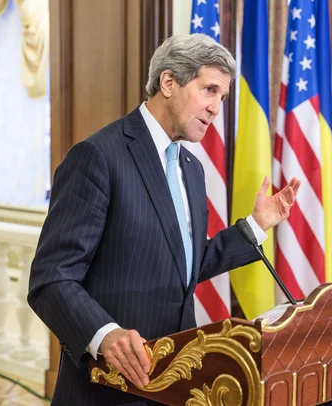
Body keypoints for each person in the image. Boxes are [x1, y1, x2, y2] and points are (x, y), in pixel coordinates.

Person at [28, 33, 301, 405]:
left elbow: (184, 262)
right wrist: (104, 334)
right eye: (208, 90)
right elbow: (51, 277)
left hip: (174, 382)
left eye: (222, 98)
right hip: (109, 386)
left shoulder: (190, 168)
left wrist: (256, 224)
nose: (216, 108)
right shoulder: (98, 157)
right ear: (168, 82)